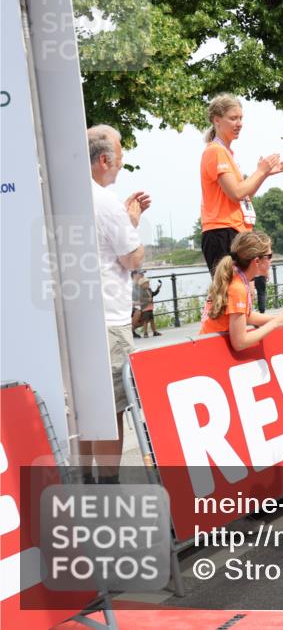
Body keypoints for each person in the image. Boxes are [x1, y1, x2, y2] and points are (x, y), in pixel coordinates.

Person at [82, 124, 150, 484]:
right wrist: (133, 222)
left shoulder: (66, 195)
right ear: (104, 159)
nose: (122, 164)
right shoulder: (106, 202)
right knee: (112, 408)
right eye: (121, 156)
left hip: (75, 320)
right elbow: (131, 259)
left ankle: (83, 480)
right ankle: (108, 485)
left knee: (81, 410)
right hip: (110, 319)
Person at [199, 93, 283, 273]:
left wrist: (264, 174)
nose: (239, 123)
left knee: (242, 290)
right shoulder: (216, 151)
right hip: (222, 231)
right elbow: (237, 193)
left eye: (240, 118)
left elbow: (244, 195)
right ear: (217, 120)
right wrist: (261, 171)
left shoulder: (226, 152)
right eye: (233, 118)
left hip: (233, 231)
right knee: (230, 293)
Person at [199, 231, 283, 349]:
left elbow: (243, 316)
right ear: (257, 261)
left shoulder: (235, 276)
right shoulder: (238, 288)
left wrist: (279, 318)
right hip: (211, 350)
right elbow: (239, 342)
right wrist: (276, 323)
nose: (271, 261)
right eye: (269, 256)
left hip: (207, 346)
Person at [136, 273, 162, 337]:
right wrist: (147, 300)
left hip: (150, 307)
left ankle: (154, 332)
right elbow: (140, 299)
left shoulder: (149, 290)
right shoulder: (141, 291)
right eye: (147, 283)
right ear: (142, 285)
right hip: (145, 308)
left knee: (152, 320)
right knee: (145, 321)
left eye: (148, 283)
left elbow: (153, 294)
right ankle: (145, 333)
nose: (149, 284)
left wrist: (158, 289)